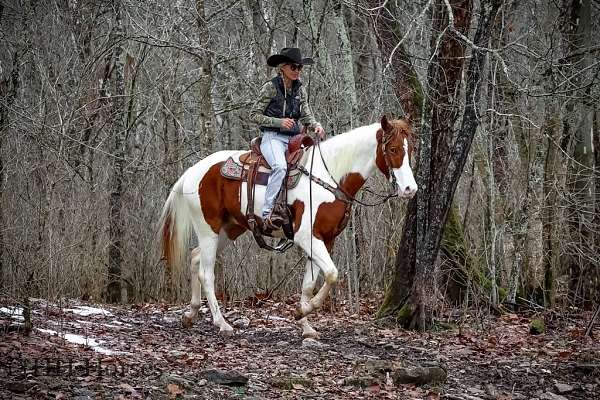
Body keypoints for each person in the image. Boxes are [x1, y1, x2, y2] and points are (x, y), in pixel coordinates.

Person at [249, 47, 325, 229]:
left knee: (312, 167)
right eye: (293, 67)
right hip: (272, 137)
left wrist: (316, 125)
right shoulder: (270, 87)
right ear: (282, 67)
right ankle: (267, 213)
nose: (297, 70)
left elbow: (306, 114)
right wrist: (278, 122)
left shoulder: (300, 90)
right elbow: (254, 114)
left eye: (300, 67)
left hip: (294, 140)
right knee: (280, 167)